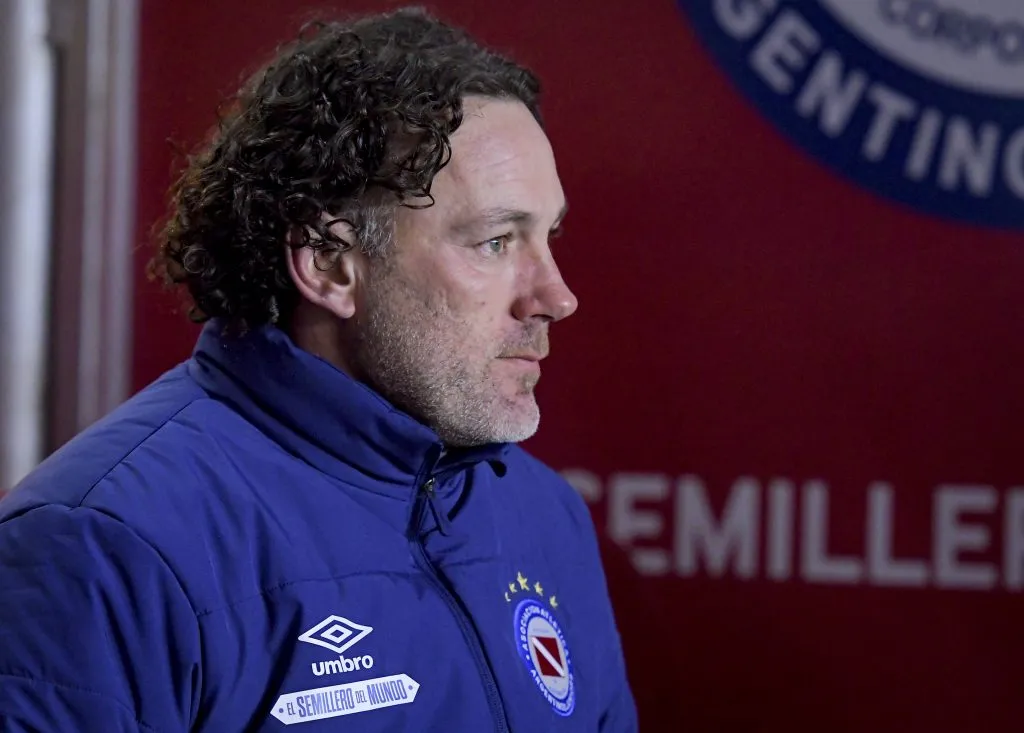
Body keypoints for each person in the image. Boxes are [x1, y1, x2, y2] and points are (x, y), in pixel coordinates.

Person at [0, 7, 638, 732]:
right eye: (495, 241)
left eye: (547, 236)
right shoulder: (100, 548)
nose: (556, 296)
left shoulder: (542, 513)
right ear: (331, 263)